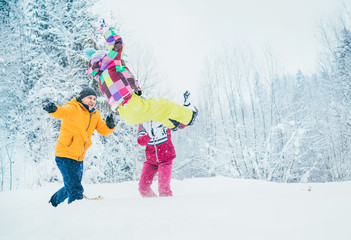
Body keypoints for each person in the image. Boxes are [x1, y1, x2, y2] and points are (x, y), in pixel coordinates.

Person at [85, 18, 198, 130]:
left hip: (125, 114)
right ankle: (189, 116)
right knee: (163, 104)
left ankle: (174, 124)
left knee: (157, 111)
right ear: (103, 58)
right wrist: (104, 29)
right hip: (132, 105)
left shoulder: (100, 77)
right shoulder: (111, 64)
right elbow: (117, 43)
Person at [43, 87, 116, 207]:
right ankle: (76, 212)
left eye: (94, 99)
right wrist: (54, 109)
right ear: (82, 98)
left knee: (71, 185)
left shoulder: (95, 114)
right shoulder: (74, 107)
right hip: (64, 154)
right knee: (75, 188)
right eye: (89, 98)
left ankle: (53, 203)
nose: (92, 101)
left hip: (79, 157)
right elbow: (62, 112)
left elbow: (103, 130)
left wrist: (110, 125)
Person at [137, 121, 186, 197]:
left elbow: (181, 124)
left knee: (163, 188)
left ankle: (166, 206)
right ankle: (153, 205)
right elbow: (140, 141)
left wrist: (187, 118)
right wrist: (149, 135)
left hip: (166, 158)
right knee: (143, 187)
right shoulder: (143, 122)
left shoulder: (163, 116)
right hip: (150, 160)